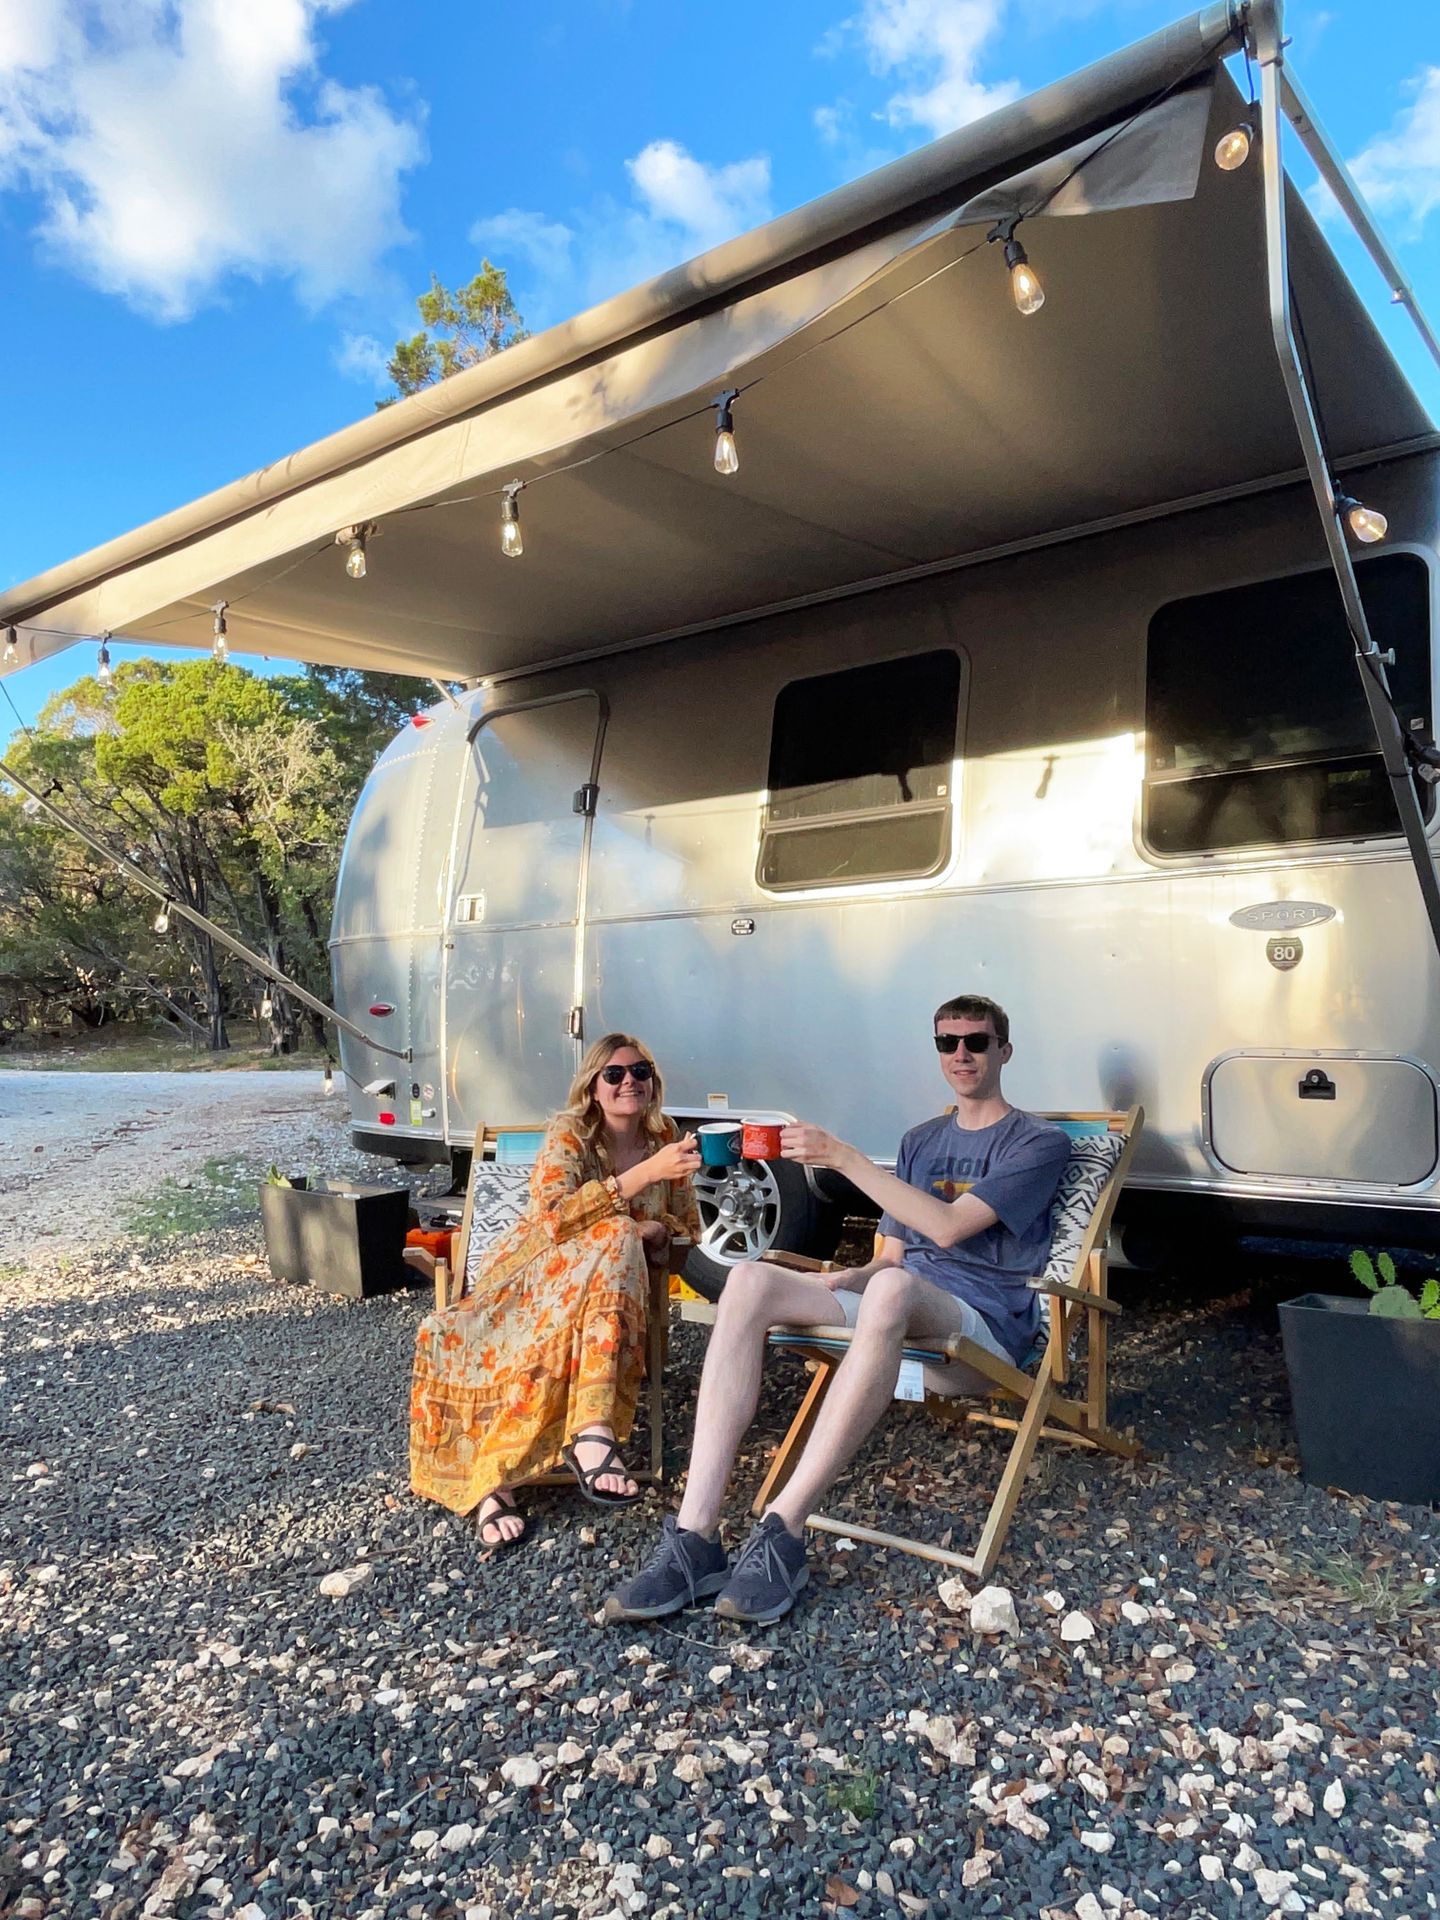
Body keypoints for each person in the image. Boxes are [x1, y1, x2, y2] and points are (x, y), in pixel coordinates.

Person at [603, 993, 1068, 1625]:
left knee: (894, 1290)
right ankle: (696, 1536)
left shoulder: (1037, 1143)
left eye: (977, 1042)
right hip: (897, 1311)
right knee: (748, 1282)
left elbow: (952, 1227)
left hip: (981, 1330)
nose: (961, 1054)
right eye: (947, 1043)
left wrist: (844, 1157)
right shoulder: (920, 1141)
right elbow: (894, 1255)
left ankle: (785, 1529)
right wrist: (860, 1271)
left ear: (1003, 1051)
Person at [410, 1033, 701, 1549]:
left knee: (618, 1234)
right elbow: (552, 1220)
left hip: (609, 1289)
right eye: (613, 1074)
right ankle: (515, 1474)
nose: (629, 1081)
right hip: (530, 1277)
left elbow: (687, 1230)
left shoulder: (667, 1139)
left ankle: (583, 1435)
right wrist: (640, 1188)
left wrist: (656, 1231)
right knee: (618, 1231)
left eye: (640, 1071)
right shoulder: (570, 1134)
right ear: (592, 1087)